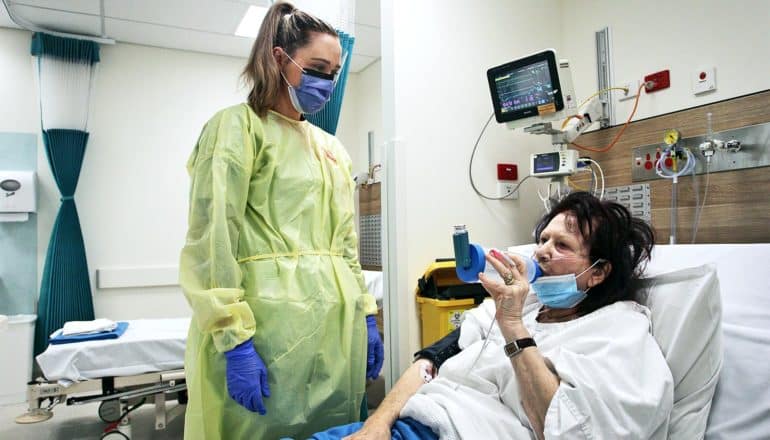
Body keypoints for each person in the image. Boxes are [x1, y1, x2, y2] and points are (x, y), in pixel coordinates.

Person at [311, 191, 674, 439]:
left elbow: (563, 427)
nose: (543, 252)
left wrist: (513, 327)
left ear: (598, 271)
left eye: (562, 245)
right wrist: (377, 424)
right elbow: (429, 362)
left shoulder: (617, 331)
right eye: (543, 240)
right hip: (407, 423)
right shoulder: (526, 306)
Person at [178, 2, 383, 439]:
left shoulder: (330, 148)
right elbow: (213, 239)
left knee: (332, 429)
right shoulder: (236, 129)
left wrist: (366, 314)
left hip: (335, 335)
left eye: (335, 71)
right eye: (317, 67)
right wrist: (234, 339)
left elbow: (345, 246)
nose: (327, 81)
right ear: (278, 59)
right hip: (265, 333)